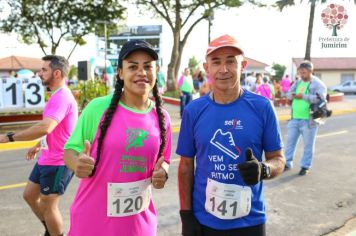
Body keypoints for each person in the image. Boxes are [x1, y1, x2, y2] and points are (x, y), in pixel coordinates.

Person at [176, 34, 285, 236]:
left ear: (242, 65)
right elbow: (185, 166)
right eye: (216, 62)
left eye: (231, 62)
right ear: (206, 68)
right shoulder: (193, 111)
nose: (223, 69)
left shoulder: (262, 107)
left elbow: (278, 159)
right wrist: (186, 215)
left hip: (250, 220)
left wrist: (264, 169)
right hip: (204, 219)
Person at [63, 40, 172, 236]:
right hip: (93, 223)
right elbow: (70, 150)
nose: (141, 72)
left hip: (140, 225)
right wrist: (76, 164)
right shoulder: (97, 108)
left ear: (156, 71)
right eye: (132, 66)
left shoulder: (163, 117)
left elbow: (164, 161)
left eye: (148, 66)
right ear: (121, 73)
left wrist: (162, 174)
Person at [0, 55, 78, 236]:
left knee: (48, 204)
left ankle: (55, 234)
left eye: (44, 70)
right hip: (47, 157)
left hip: (59, 161)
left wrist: (10, 137)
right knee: (29, 195)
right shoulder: (56, 96)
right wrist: (39, 144)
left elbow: (45, 127)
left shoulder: (62, 97)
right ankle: (50, 229)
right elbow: (54, 130)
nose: (39, 73)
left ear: (57, 73)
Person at [284, 60, 327, 176]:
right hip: (295, 118)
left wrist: (303, 96)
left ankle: (305, 166)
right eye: (300, 72)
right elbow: (288, 94)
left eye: (304, 72)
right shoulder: (298, 82)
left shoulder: (318, 84)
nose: (302, 75)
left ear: (310, 71)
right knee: (290, 142)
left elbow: (321, 99)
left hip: (309, 120)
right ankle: (287, 163)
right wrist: (292, 95)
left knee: (308, 145)